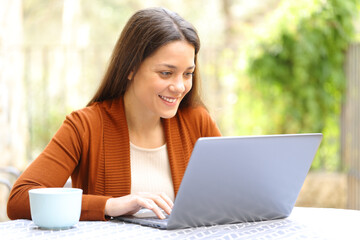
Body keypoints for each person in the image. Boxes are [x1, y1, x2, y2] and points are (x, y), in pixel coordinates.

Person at [7, 7, 221, 221]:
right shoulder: (85, 126)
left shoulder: (197, 122)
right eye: (166, 73)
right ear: (131, 68)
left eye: (187, 74)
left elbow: (236, 196)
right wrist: (110, 204)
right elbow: (19, 200)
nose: (179, 86)